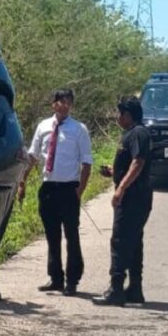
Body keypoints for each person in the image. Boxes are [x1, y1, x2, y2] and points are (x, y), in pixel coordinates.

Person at [18, 89, 93, 297]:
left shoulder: (79, 129)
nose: (66, 105)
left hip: (69, 188)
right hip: (49, 188)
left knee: (72, 235)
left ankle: (72, 280)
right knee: (52, 236)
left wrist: (80, 191)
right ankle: (55, 277)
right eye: (62, 102)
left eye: (69, 102)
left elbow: (87, 163)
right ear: (54, 104)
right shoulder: (43, 126)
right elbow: (33, 156)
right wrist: (22, 181)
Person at [93, 96, 153, 306]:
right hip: (135, 194)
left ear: (128, 115)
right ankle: (135, 289)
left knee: (119, 241)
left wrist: (120, 189)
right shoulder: (132, 133)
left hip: (134, 197)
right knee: (134, 241)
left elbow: (138, 163)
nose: (118, 117)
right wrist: (114, 172)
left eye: (120, 114)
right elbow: (130, 164)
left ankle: (116, 289)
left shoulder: (138, 133)